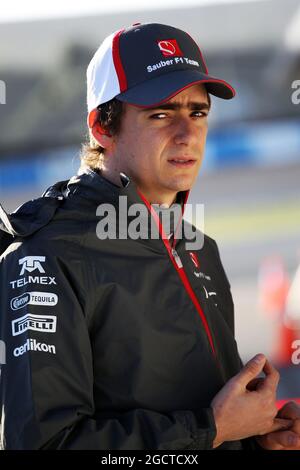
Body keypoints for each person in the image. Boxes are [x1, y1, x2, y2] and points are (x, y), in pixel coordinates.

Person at [0, 22, 299, 451]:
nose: (187, 133)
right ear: (103, 127)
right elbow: (43, 445)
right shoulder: (46, 254)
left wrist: (255, 438)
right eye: (160, 113)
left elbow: (214, 425)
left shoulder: (198, 247)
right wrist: (209, 429)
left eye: (197, 112)